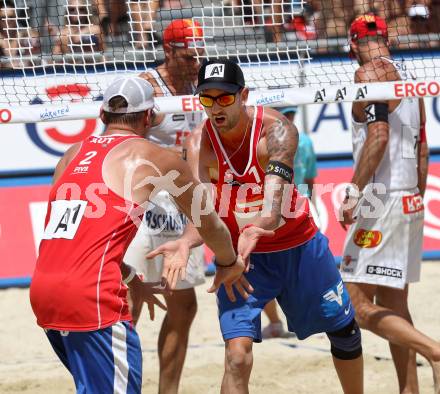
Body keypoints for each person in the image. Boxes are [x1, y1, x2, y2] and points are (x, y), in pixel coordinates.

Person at [152, 59, 364, 393]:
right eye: (207, 98)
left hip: (298, 246)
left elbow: (273, 207)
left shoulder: (277, 130)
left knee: (345, 333)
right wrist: (186, 240)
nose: (215, 106)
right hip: (242, 261)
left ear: (243, 95)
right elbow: (204, 211)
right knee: (236, 356)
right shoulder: (198, 143)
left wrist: (255, 227)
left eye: (224, 98)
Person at [29, 76, 246, 394]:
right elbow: (208, 222)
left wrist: (130, 277)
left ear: (102, 116)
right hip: (91, 297)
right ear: (149, 118)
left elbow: (77, 238)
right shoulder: (155, 156)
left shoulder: (72, 154)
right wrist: (229, 261)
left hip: (45, 293)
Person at [340, 14, 440, 394]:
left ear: (351, 47)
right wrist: (415, 197)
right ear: (387, 40)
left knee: (354, 302)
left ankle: (434, 350)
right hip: (410, 196)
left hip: (381, 198)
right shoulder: (413, 79)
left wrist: (353, 191)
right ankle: (409, 390)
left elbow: (378, 137)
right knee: (395, 305)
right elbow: (424, 147)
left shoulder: (366, 76)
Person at [123, 18, 206, 394]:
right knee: (128, 299)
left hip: (182, 203)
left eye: (198, 55)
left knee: (183, 305)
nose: (195, 62)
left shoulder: (200, 83)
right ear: (168, 51)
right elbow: (121, 140)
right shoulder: (147, 87)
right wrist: (171, 157)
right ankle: (119, 384)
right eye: (188, 55)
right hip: (145, 204)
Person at [262, 105, 319, 340]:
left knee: (263, 267)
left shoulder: (262, 139)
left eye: (291, 114)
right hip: (296, 203)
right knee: (303, 269)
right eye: (289, 114)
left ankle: (277, 322)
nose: (290, 117)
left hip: (281, 204)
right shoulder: (303, 140)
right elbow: (310, 179)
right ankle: (302, 321)